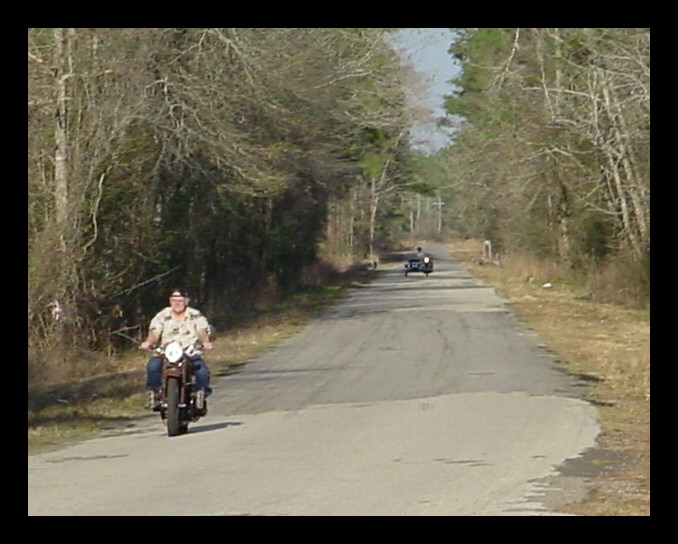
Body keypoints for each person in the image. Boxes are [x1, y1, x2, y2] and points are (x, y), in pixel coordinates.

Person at [140, 288, 213, 411]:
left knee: (202, 371)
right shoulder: (162, 315)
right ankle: (155, 393)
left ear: (187, 301)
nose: (177, 303)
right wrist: (149, 342)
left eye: (180, 300)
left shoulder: (195, 315)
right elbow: (154, 333)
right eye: (174, 300)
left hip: (189, 351)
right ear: (170, 301)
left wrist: (205, 342)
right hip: (166, 352)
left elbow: (201, 331)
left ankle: (200, 394)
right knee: (153, 365)